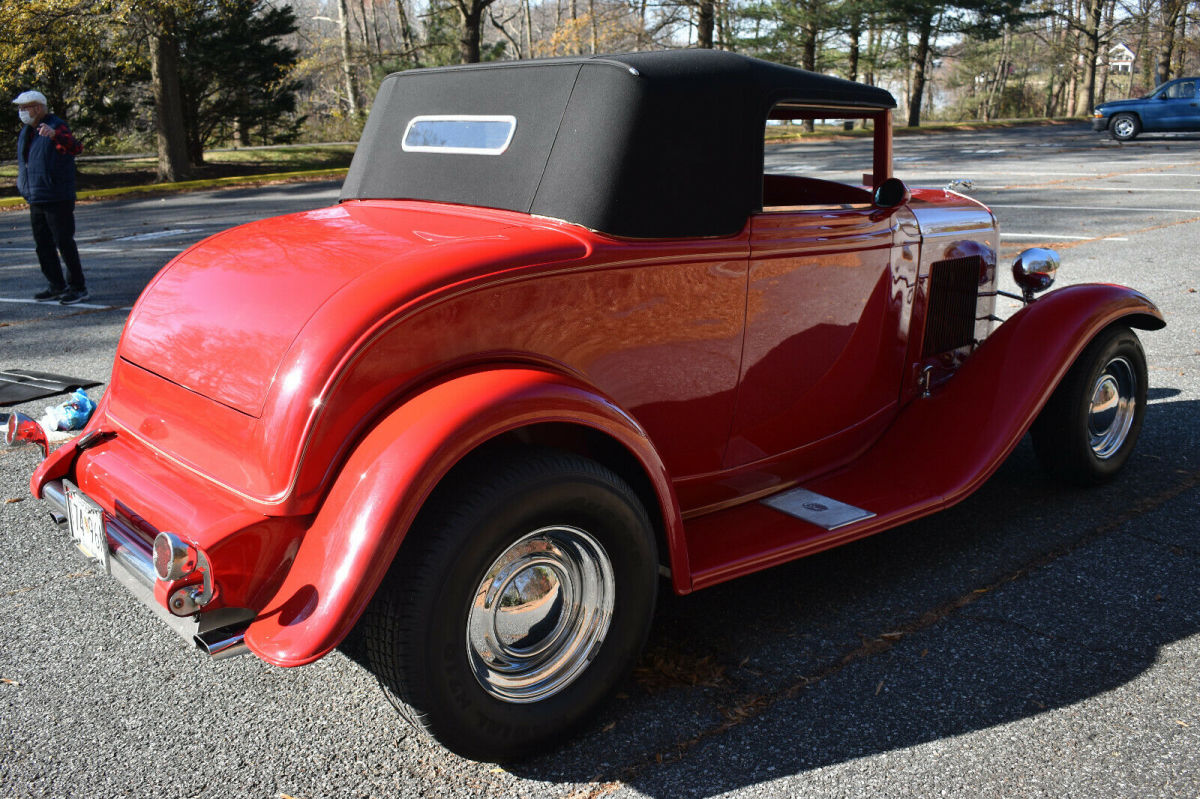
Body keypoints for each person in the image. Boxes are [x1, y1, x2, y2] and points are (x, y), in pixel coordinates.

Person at [13, 90, 88, 305]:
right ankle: (56, 285)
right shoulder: (28, 131)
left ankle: (78, 287)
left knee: (64, 242)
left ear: (37, 108)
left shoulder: (55, 125)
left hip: (57, 195)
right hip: (36, 195)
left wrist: (55, 135)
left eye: (24, 108)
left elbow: (75, 147)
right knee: (42, 244)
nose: (21, 112)